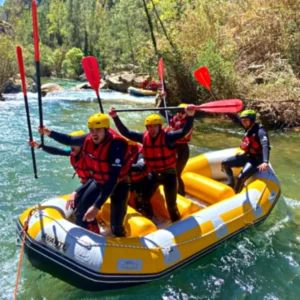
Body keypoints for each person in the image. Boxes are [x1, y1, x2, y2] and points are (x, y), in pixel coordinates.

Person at [38, 113, 132, 236]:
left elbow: (113, 179)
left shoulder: (116, 146)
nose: (94, 133)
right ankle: (86, 244)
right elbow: (69, 140)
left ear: (106, 129)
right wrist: (49, 132)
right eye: (91, 130)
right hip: (99, 182)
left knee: (116, 227)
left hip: (119, 185)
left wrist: (96, 206)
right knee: (81, 213)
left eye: (98, 130)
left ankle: (121, 240)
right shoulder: (88, 139)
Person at [108, 105, 195, 222]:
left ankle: (178, 224)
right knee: (142, 197)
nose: (152, 129)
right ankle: (151, 219)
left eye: (155, 126)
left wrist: (190, 116)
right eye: (149, 127)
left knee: (172, 207)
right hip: (153, 175)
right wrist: (115, 117)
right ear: (146, 128)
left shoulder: (168, 137)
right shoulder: (143, 138)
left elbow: (184, 131)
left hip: (169, 176)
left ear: (160, 127)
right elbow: (126, 132)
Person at [221, 109, 270, 194]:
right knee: (225, 163)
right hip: (247, 156)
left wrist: (265, 162)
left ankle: (236, 193)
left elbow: (265, 145)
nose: (244, 122)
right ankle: (231, 183)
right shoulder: (248, 126)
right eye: (242, 120)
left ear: (252, 120)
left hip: (256, 160)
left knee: (240, 177)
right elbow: (236, 119)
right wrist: (227, 111)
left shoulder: (260, 131)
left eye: (246, 120)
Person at [158, 102, 194, 196]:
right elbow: (160, 110)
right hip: (172, 148)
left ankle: (182, 194)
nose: (180, 114)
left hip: (182, 150)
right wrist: (162, 97)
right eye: (178, 111)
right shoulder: (172, 118)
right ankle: (174, 192)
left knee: (176, 173)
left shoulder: (188, 124)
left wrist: (172, 131)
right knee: (170, 172)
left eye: (182, 112)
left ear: (186, 113)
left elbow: (183, 134)